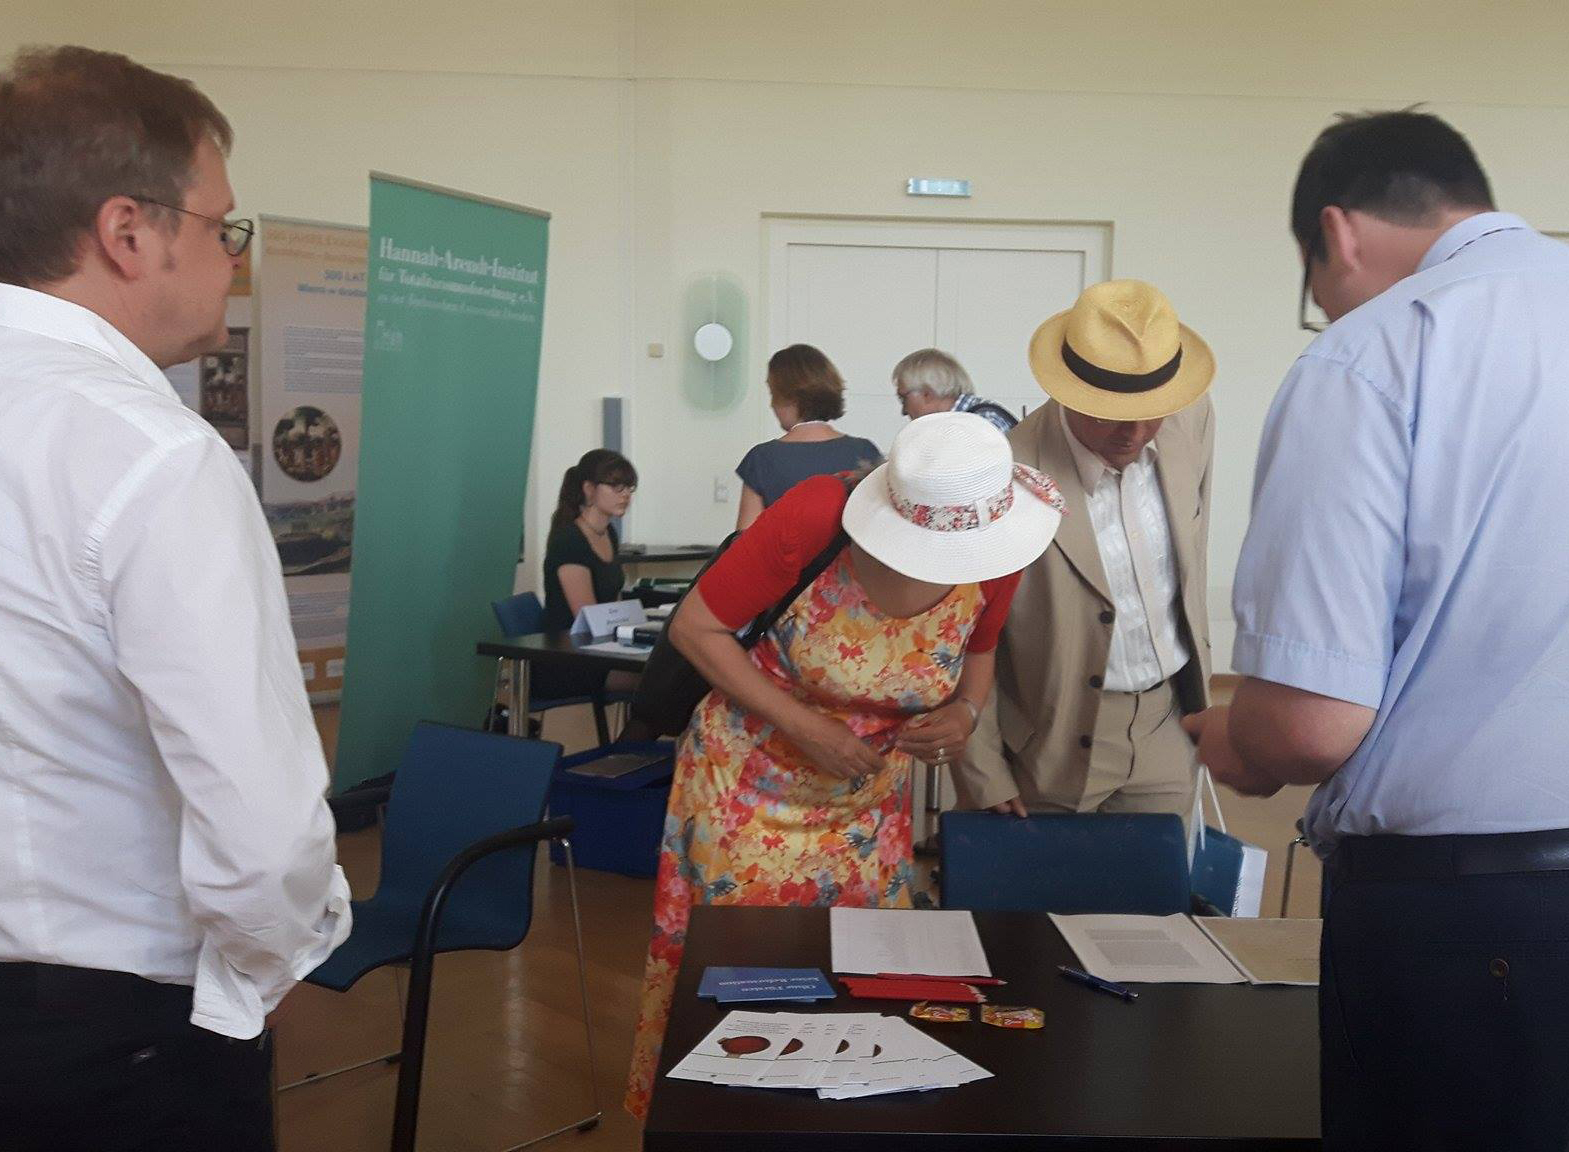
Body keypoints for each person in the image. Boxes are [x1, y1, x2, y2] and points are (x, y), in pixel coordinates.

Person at [1182, 111, 1569, 1150]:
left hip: (1474, 925)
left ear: (1336, 233)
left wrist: (1239, 740)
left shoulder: (1374, 354)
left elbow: (1309, 726)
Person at [0, 47, 348, 1150]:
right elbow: (262, 830)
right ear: (128, 231)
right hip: (110, 1033)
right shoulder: (152, 454)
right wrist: (256, 980)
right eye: (222, 226)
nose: (234, 258)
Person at [625, 412, 1062, 1115]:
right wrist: (805, 726)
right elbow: (695, 628)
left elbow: (978, 651)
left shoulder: (996, 547)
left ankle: (830, 1123)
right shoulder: (817, 515)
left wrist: (965, 714)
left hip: (867, 805)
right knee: (744, 981)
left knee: (866, 979)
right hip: (749, 788)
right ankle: (724, 1122)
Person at [954, 280, 1214, 829]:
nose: (1135, 432)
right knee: (1042, 889)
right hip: (1046, 743)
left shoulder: (1190, 419)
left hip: (1167, 726)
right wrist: (982, 769)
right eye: (1110, 414)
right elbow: (962, 632)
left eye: (1151, 412)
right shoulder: (1004, 473)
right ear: (1068, 391)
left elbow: (1195, 549)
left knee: (1155, 886)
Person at [734, 343, 881, 530]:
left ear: (789, 397)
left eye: (773, 394)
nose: (771, 404)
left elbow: (745, 539)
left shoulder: (762, 458)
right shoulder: (865, 452)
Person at [540, 449, 640, 695]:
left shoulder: (609, 533)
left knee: (673, 672)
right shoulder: (569, 541)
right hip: (569, 657)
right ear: (589, 489)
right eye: (616, 487)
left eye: (629, 487)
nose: (625, 495)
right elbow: (587, 616)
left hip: (600, 649)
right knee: (665, 681)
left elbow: (613, 603)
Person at [892, 346, 1018, 433]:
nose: (904, 411)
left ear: (927, 394)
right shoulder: (963, 424)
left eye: (903, 398)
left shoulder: (984, 424)